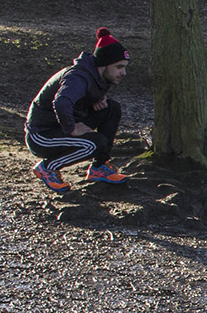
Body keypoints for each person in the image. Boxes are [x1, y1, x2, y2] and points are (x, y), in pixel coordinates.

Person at [25, 28, 132, 192]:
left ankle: (99, 167)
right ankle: (47, 167)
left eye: (124, 67)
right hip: (42, 135)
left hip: (61, 124)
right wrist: (72, 129)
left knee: (111, 109)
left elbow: (80, 98)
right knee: (96, 143)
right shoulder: (77, 77)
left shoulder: (97, 75)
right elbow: (61, 103)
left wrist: (94, 101)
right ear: (103, 65)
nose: (123, 73)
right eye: (119, 67)